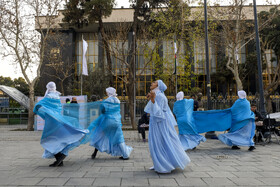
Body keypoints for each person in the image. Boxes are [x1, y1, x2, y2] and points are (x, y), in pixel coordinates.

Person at [33, 82, 88, 167]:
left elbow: (39, 104)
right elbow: (58, 108)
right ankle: (60, 159)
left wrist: (35, 109)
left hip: (51, 122)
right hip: (58, 120)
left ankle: (60, 157)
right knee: (58, 139)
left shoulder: (48, 97)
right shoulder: (57, 97)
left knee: (50, 140)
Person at [144, 80, 190, 173]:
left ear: (158, 85)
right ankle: (159, 163)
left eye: (154, 82)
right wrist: (151, 99)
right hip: (157, 122)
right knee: (159, 142)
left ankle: (164, 165)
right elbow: (154, 109)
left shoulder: (160, 96)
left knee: (159, 142)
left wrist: (153, 100)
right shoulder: (157, 94)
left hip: (159, 123)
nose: (151, 83)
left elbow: (159, 112)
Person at [88, 87, 133, 160]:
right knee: (119, 138)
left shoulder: (107, 100)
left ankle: (95, 153)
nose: (106, 93)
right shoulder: (117, 100)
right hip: (117, 121)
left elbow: (103, 111)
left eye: (106, 92)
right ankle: (125, 155)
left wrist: (101, 103)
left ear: (109, 93)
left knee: (99, 134)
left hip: (108, 121)